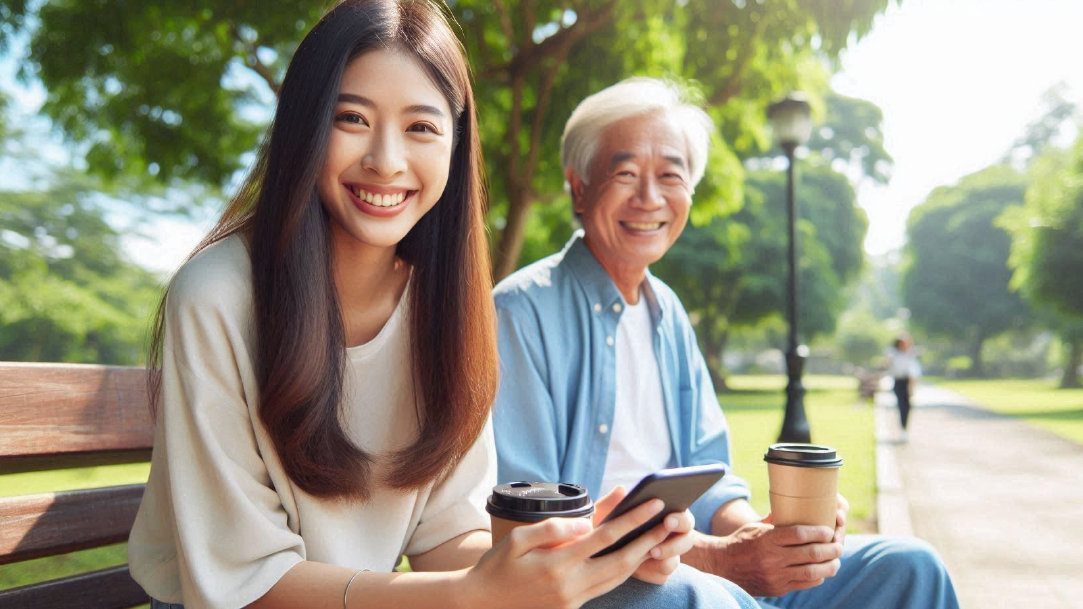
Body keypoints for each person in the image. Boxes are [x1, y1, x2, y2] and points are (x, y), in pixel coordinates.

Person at [128, 4, 757, 609]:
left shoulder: (444, 306)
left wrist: (586, 552)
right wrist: (467, 596)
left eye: (421, 127)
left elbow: (450, 538)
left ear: (456, 149)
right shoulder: (218, 296)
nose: (386, 160)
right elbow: (246, 584)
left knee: (694, 596)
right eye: (351, 118)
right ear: (305, 127)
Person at [492, 77, 960, 609]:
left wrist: (765, 538)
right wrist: (719, 558)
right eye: (625, 174)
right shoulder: (518, 313)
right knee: (706, 598)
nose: (649, 198)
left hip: (697, 567)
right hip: (597, 586)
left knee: (909, 567)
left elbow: (708, 475)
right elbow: (536, 527)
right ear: (579, 187)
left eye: (670, 175)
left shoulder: (667, 313)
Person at [887, 334, 921, 440]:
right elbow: (888, 364)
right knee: (901, 405)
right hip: (898, 381)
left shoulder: (911, 354)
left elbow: (914, 372)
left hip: (908, 381)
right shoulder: (893, 354)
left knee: (907, 406)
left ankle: (905, 428)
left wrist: (911, 387)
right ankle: (903, 428)